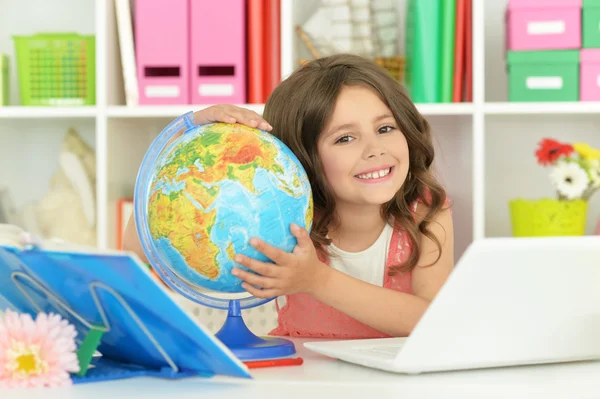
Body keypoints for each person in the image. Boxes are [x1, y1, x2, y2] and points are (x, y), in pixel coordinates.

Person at [123, 53, 454, 339]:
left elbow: (432, 320)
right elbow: (139, 248)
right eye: (345, 139)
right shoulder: (283, 216)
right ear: (301, 156)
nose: (375, 150)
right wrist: (188, 129)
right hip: (303, 378)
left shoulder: (425, 213)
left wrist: (317, 279)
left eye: (385, 128)